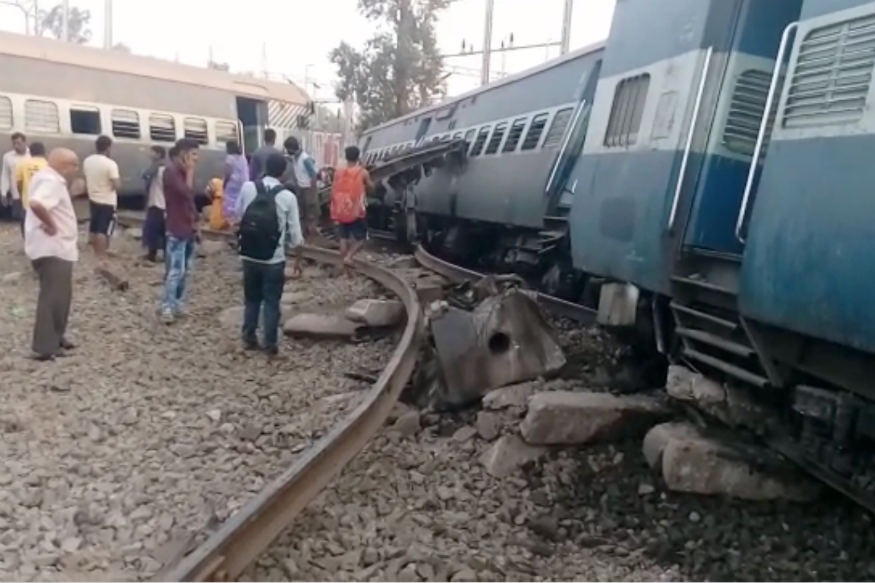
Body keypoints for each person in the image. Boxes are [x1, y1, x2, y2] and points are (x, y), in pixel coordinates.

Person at [236, 153, 304, 356]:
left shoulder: (248, 187)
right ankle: (270, 345)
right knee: (271, 301)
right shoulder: (288, 197)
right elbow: (296, 237)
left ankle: (248, 337)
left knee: (251, 298)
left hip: (248, 255)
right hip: (273, 259)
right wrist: (298, 259)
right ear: (283, 173)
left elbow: (239, 214)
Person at [24, 148, 82, 361]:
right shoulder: (52, 181)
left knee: (61, 295)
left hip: (56, 248)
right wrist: (52, 225)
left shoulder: (46, 178)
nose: (76, 169)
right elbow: (37, 203)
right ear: (65, 165)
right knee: (53, 296)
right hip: (53, 248)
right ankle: (45, 346)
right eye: (75, 164)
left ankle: (57, 337)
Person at [161, 139, 200, 324]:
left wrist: (196, 221)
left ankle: (177, 303)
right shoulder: (171, 172)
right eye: (193, 154)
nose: (196, 159)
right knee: (176, 270)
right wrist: (190, 172)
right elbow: (185, 192)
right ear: (183, 154)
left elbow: (190, 201)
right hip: (176, 227)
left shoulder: (182, 172)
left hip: (188, 226)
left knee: (186, 269)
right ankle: (167, 306)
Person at [331, 145, 373, 276]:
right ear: (358, 156)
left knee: (343, 238)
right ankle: (348, 257)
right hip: (357, 210)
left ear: (346, 156)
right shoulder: (363, 172)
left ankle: (344, 268)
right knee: (361, 239)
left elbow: (333, 190)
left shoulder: (338, 172)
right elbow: (372, 188)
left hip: (341, 209)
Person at [83, 135, 120, 260]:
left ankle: (94, 253)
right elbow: (116, 185)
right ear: (108, 147)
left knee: (94, 226)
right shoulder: (110, 164)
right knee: (103, 230)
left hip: (93, 198)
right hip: (107, 201)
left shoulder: (88, 161)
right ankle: (101, 255)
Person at [283, 136, 319, 237]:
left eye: (287, 149)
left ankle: (312, 233)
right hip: (300, 187)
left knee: (311, 211)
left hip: (308, 188)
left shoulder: (305, 158)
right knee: (302, 211)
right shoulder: (295, 157)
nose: (287, 151)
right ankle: (304, 233)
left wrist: (312, 190)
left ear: (291, 148)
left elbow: (313, 175)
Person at [14, 141, 48, 238]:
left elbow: (19, 183)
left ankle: (27, 241)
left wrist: (21, 195)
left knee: (26, 223)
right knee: (42, 222)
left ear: (30, 152)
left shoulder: (22, 164)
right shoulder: (48, 165)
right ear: (44, 152)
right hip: (44, 201)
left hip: (27, 200)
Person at [141, 146, 168, 263]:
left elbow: (146, 174)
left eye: (152, 152)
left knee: (156, 230)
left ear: (158, 154)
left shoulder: (160, 169)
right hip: (156, 202)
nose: (150, 154)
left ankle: (154, 254)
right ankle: (157, 254)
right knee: (159, 230)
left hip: (159, 203)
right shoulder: (157, 168)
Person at [1, 132, 30, 222]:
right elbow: (5, 175)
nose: (16, 146)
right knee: (19, 219)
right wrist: (3, 193)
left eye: (19, 143)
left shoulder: (31, 155)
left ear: (25, 142)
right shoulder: (8, 157)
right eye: (14, 143)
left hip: (30, 193)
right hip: (16, 194)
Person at [223, 140, 248, 223]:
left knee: (229, 201)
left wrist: (224, 183)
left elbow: (228, 173)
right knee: (239, 200)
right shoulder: (242, 157)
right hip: (243, 182)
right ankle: (239, 219)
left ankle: (230, 220)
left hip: (233, 183)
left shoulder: (229, 158)